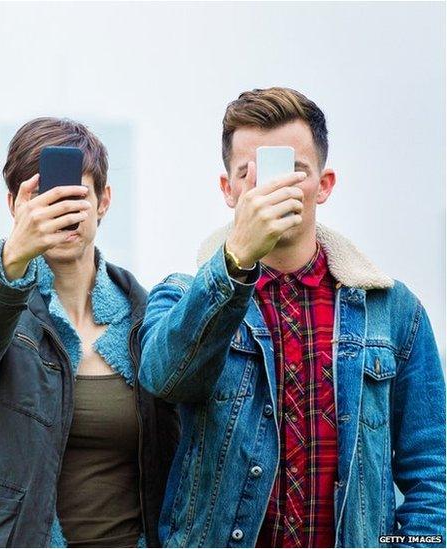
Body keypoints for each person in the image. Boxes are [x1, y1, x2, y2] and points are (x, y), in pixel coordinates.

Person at [139, 87, 446, 547]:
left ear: (324, 184)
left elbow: (431, 472)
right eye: (251, 174)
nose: (274, 187)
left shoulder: (394, 310)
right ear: (228, 190)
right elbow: (164, 378)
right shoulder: (183, 294)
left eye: (294, 170)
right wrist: (236, 259)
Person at [0, 117, 179, 547]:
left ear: (104, 200)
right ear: (14, 204)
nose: (61, 209)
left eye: (75, 195)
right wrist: (14, 254)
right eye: (43, 197)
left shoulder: (147, 318)